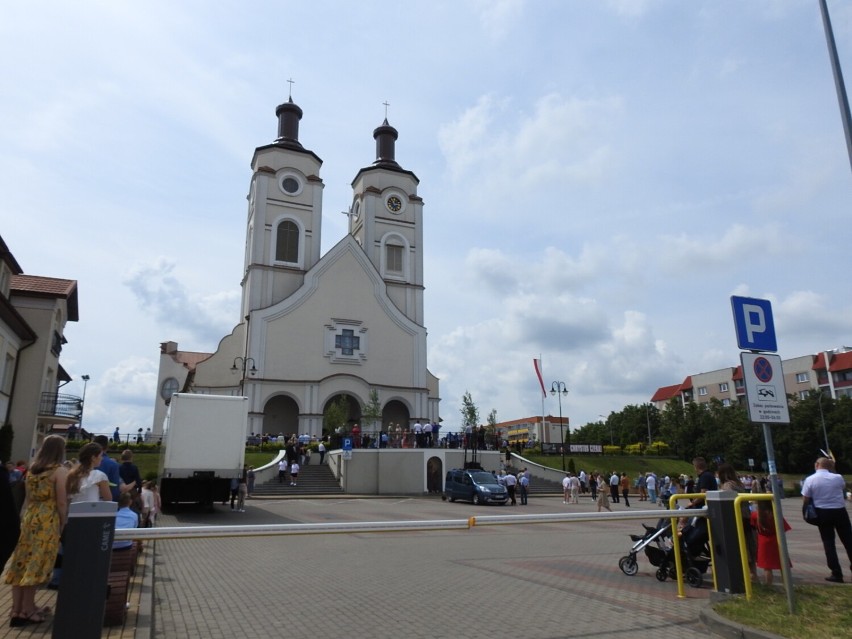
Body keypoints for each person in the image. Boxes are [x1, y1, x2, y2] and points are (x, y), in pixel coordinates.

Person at [4, 435, 69, 627]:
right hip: (47, 518)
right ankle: (27, 610)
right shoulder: (59, 471)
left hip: (30, 517)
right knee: (36, 564)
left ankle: (17, 608)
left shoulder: (31, 470)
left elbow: (28, 499)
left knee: (22, 563)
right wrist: (61, 523)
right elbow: (62, 501)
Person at [801, 456, 852, 583]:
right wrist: (833, 469)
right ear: (829, 466)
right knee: (849, 541)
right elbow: (842, 487)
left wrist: (806, 513)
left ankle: (836, 573)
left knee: (829, 543)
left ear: (817, 464)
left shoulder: (810, 479)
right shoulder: (838, 477)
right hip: (840, 511)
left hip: (822, 513)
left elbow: (806, 499)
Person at [750, 500, 790, 586]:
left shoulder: (756, 515)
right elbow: (784, 528)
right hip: (777, 540)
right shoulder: (775, 515)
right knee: (782, 564)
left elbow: (752, 527)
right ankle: (786, 584)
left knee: (767, 567)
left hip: (763, 541)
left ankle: (768, 585)